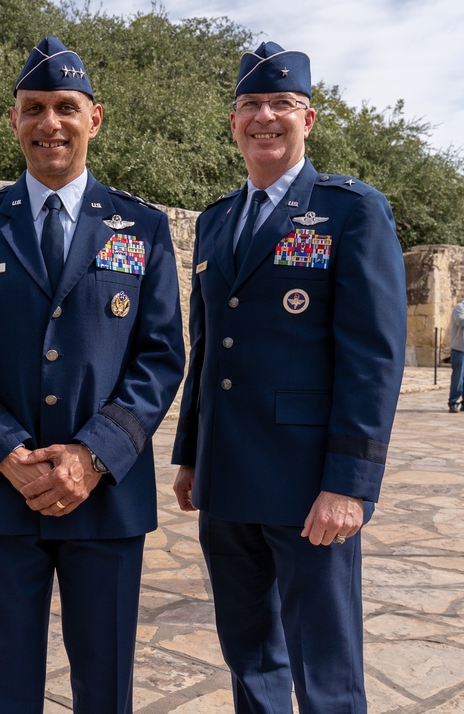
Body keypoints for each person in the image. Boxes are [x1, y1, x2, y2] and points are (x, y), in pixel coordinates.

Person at [0, 36, 185, 712]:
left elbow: (160, 355)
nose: (49, 124)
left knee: (105, 684)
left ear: (93, 118)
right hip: (2, 495)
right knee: (4, 684)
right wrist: (7, 454)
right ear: (12, 119)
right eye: (33, 108)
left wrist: (93, 457)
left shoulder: (141, 227)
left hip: (105, 498)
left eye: (65, 107)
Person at [171, 42, 406, 712]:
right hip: (226, 477)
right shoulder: (215, 221)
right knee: (248, 656)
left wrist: (349, 484)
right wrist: (190, 454)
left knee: (325, 668)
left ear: (308, 119)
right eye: (251, 105)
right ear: (232, 120)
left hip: (309, 484)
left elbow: (373, 356)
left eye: (281, 104)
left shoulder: (349, 210)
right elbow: (207, 346)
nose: (264, 116)